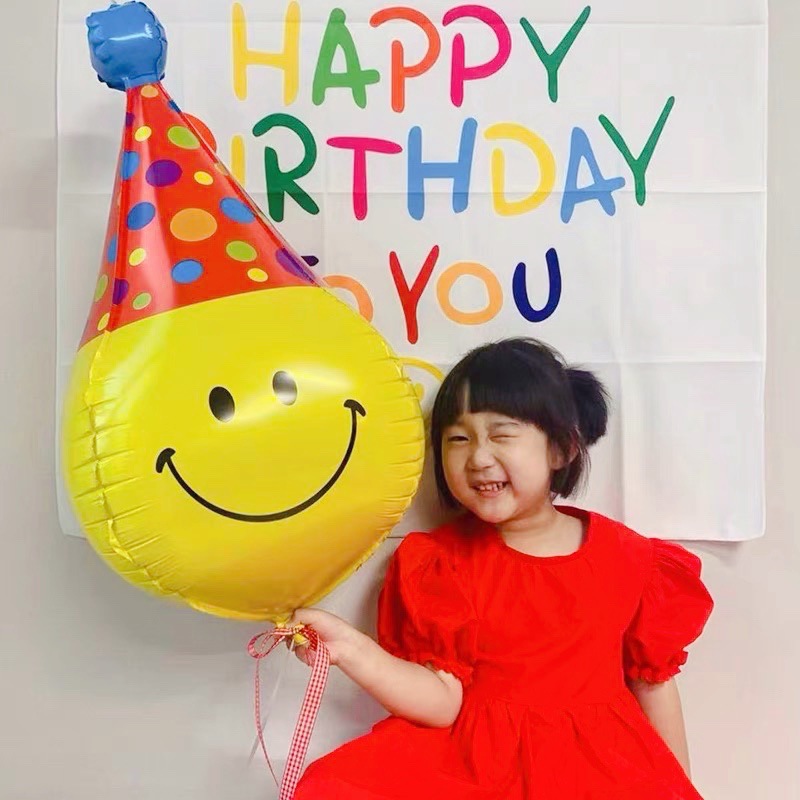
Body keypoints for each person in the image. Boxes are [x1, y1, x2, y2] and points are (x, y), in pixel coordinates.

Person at [289, 337, 714, 799]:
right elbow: (441, 702)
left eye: (502, 435)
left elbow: (653, 685)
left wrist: (680, 787)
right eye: (458, 438)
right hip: (473, 765)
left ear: (561, 449)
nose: (478, 457)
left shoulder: (632, 560)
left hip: (597, 770)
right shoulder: (441, 563)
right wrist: (350, 650)